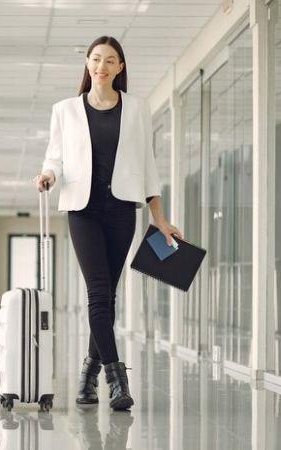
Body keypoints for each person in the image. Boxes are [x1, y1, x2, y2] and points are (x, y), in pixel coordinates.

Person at [34, 36, 182, 410]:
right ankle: (117, 379)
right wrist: (48, 176)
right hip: (82, 211)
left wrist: (160, 220)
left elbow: (147, 167)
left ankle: (88, 377)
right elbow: (55, 157)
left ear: (120, 68)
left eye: (110, 60)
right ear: (87, 64)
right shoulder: (65, 110)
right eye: (96, 59)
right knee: (99, 294)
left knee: (108, 297)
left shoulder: (136, 109)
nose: (102, 66)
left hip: (120, 212)